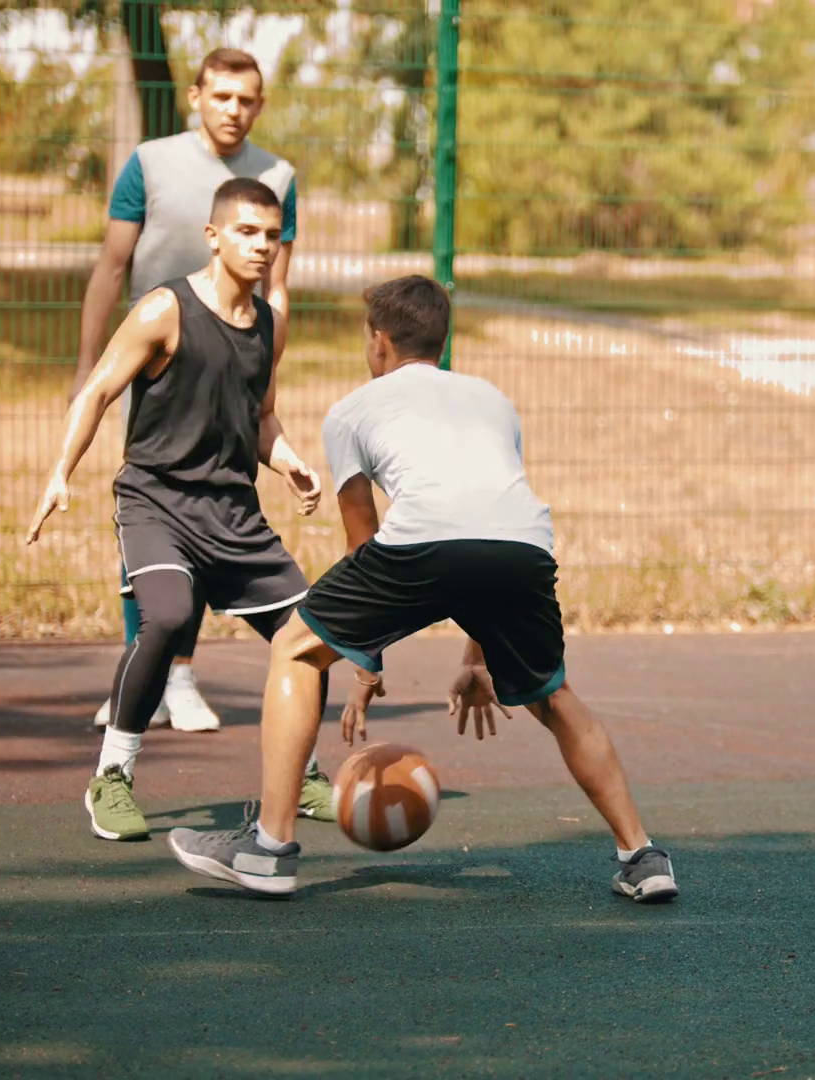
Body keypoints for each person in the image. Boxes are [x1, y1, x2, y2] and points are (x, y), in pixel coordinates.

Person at [165, 275, 680, 904]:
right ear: (442, 339)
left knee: (295, 649)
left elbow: (362, 543)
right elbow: (484, 521)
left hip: (422, 546)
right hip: (522, 549)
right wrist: (479, 657)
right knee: (554, 697)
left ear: (379, 341)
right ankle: (642, 855)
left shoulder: (351, 410)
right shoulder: (494, 401)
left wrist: (363, 665)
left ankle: (268, 850)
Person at [29, 177, 323, 843]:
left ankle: (301, 776)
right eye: (246, 232)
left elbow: (261, 416)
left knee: (308, 635)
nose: (262, 246)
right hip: (156, 503)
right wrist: (59, 473)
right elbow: (98, 390)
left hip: (233, 512)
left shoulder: (270, 324)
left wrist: (288, 461)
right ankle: (112, 776)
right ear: (213, 237)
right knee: (166, 616)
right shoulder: (165, 309)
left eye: (271, 236)